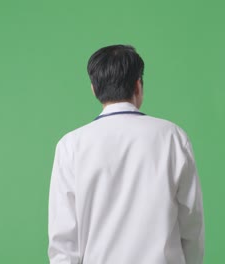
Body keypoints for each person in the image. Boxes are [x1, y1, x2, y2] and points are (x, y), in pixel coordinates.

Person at [47, 44, 205, 264]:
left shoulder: (71, 145)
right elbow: (192, 224)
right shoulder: (172, 137)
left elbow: (63, 240)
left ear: (94, 88)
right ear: (138, 85)